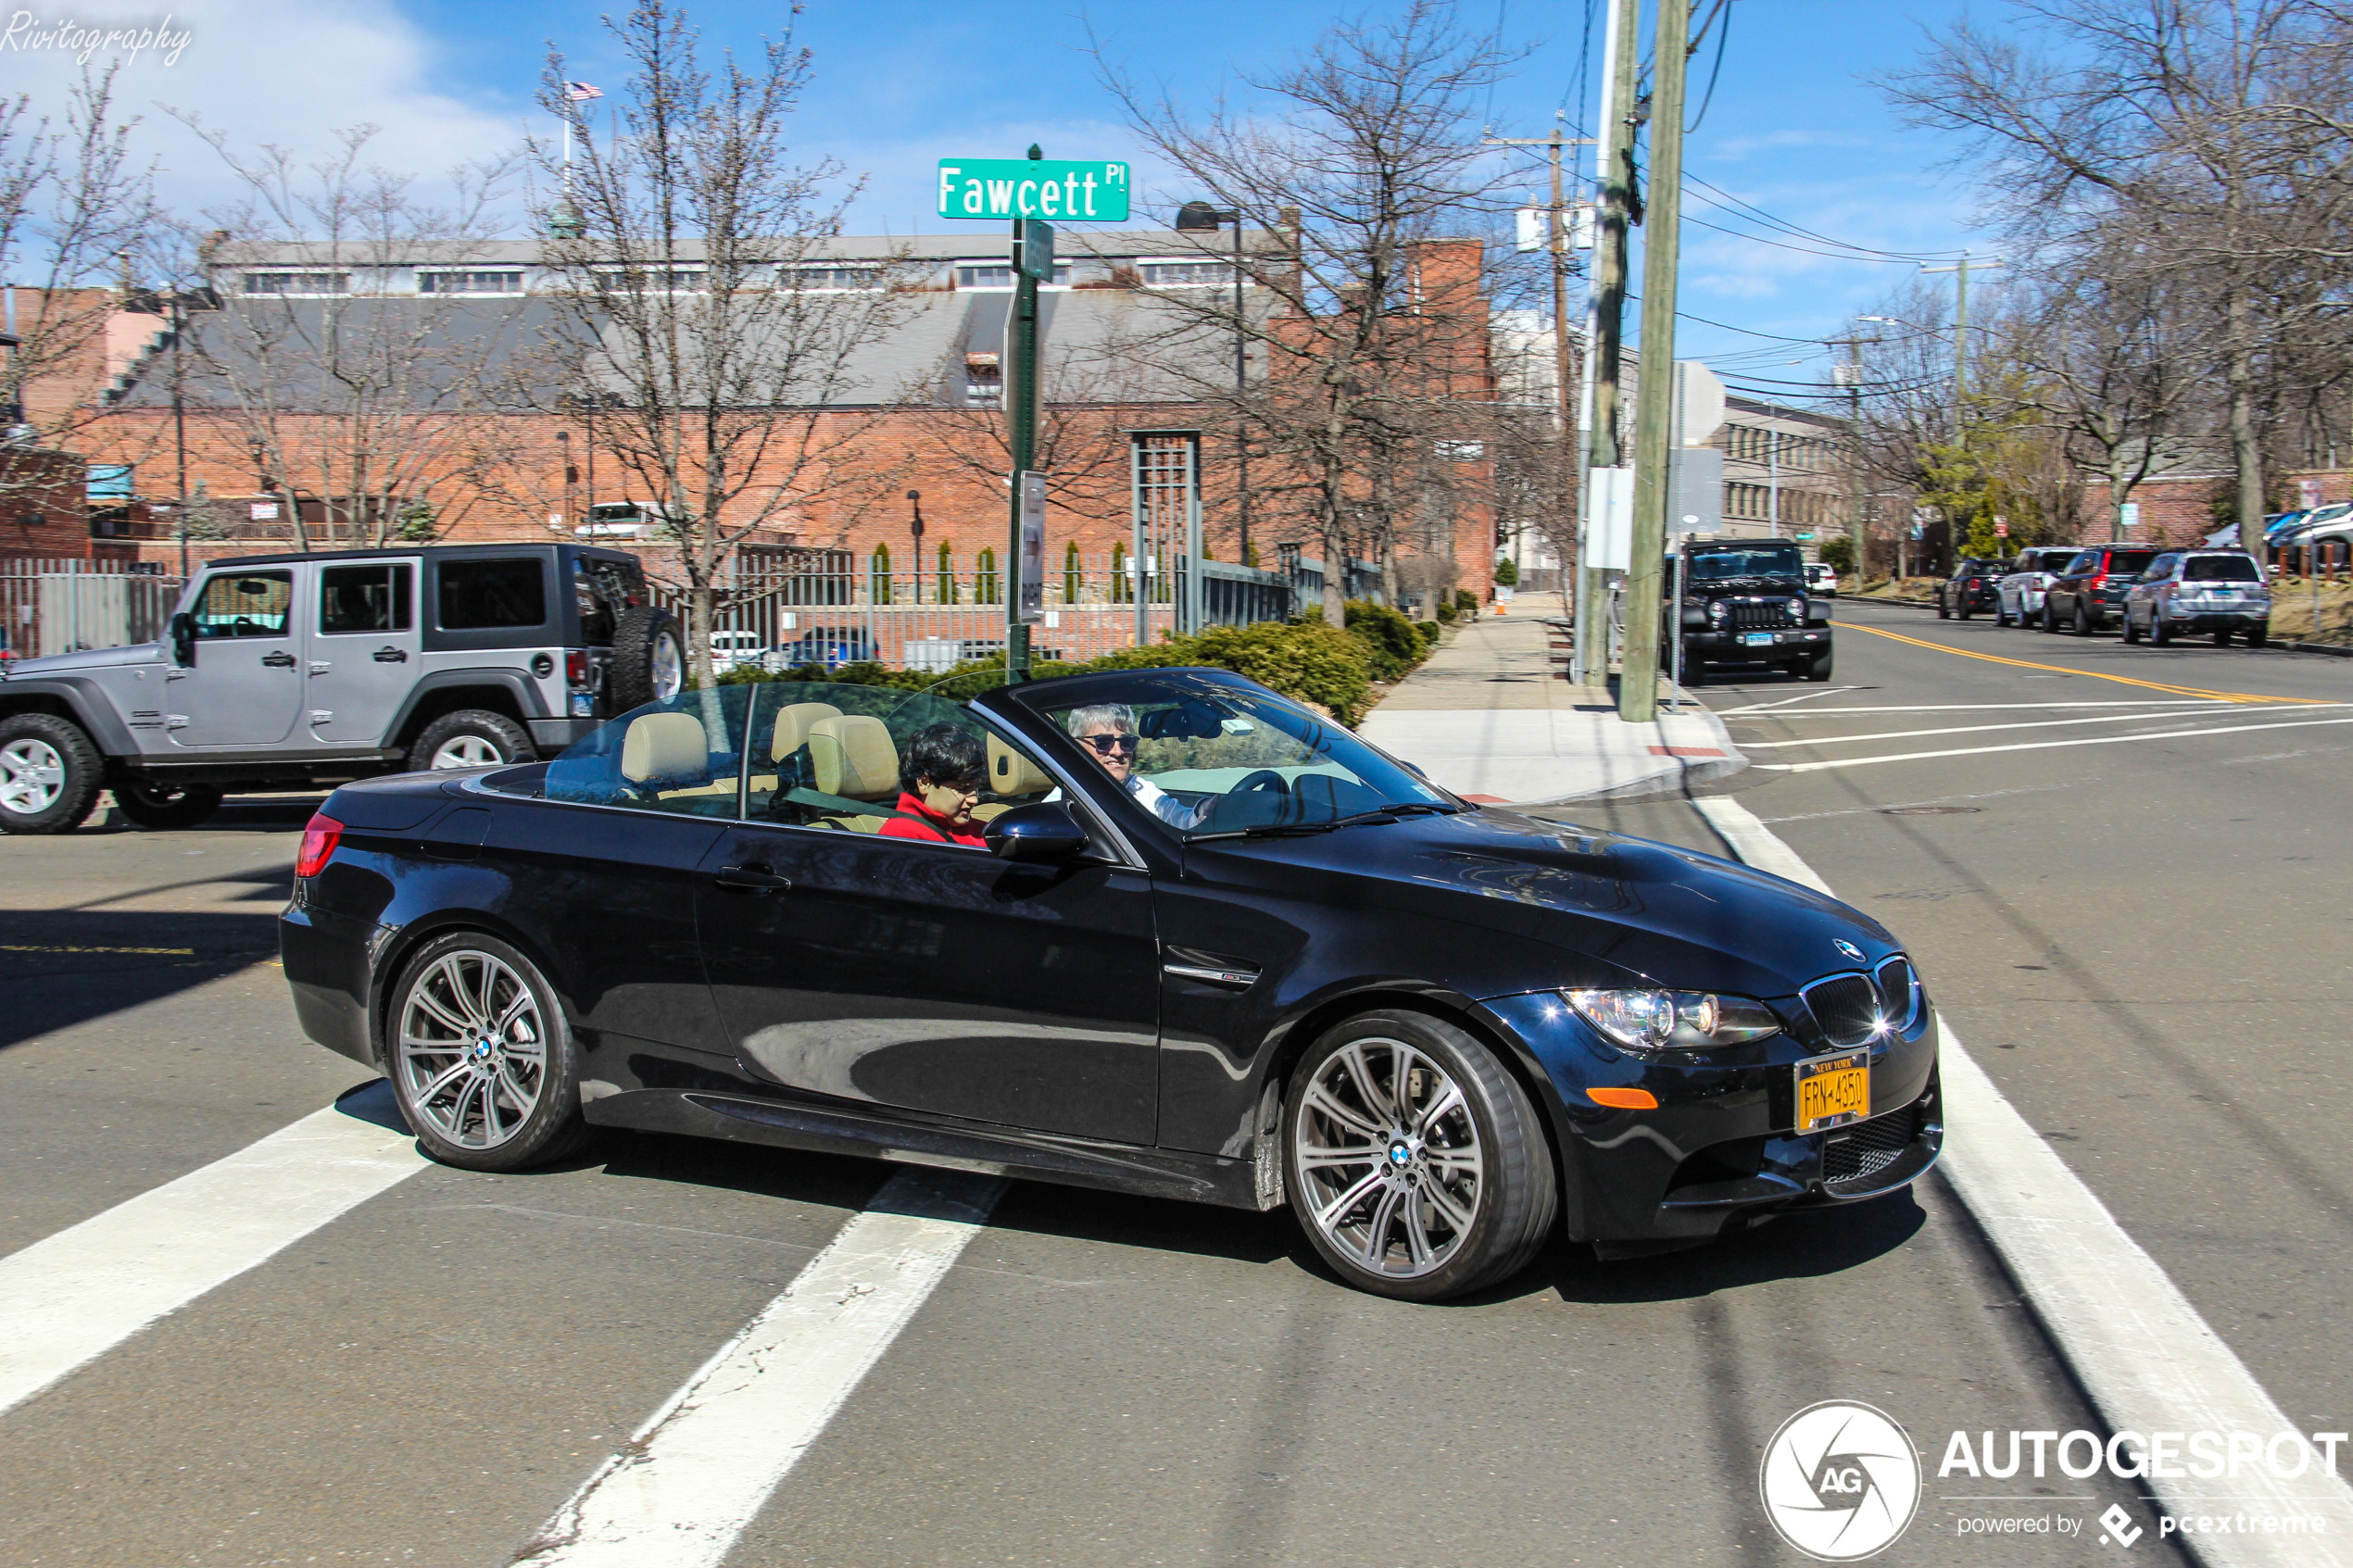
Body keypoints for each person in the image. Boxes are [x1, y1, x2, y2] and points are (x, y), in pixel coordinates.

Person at [1063, 702, 1206, 829]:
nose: (1118, 751)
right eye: (1103, 742)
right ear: (1076, 746)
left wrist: (1206, 809)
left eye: (1127, 742)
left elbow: (1181, 821)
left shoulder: (1140, 789)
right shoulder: (1062, 804)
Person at [880, 723, 989, 847]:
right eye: (962, 788)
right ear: (924, 783)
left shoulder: (983, 832)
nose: (974, 800)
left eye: (975, 788)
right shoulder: (902, 836)